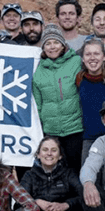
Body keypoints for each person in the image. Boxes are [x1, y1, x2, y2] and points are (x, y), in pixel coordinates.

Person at [31, 24, 84, 166]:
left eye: (56, 42)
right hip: (51, 132)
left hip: (74, 129)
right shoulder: (38, 70)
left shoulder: (76, 62)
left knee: (74, 169)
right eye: (47, 43)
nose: (52, 47)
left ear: (62, 45)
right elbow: (38, 104)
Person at [76, 37, 105, 162]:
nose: (92, 58)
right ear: (83, 58)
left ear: (104, 57)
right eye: (88, 54)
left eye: (96, 54)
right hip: (88, 139)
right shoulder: (80, 79)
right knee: (88, 178)